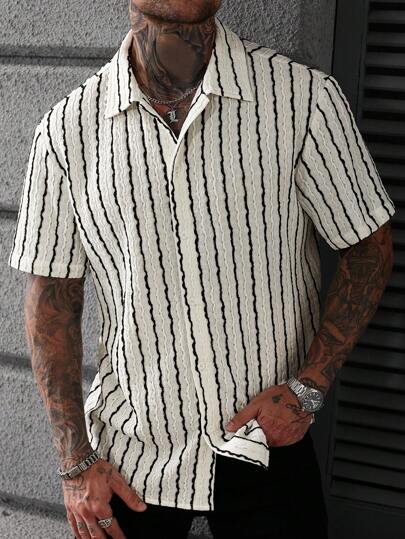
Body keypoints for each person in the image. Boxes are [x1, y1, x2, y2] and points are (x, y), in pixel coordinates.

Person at [8, 0, 396, 538]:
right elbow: (51, 301)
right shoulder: (66, 133)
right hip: (130, 460)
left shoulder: (302, 99)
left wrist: (309, 387)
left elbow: (369, 245)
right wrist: (74, 462)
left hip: (268, 445)